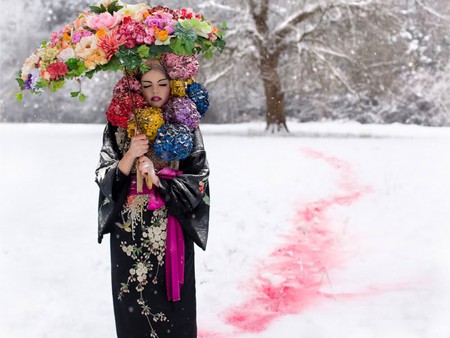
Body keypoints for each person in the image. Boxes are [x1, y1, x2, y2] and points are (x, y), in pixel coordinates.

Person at [95, 58, 210, 338]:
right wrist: (131, 155)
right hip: (129, 227)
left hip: (171, 221)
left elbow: (200, 180)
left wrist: (159, 179)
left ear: (173, 85)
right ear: (137, 88)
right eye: (146, 85)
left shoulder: (186, 124)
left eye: (162, 83)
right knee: (132, 296)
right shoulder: (120, 124)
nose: (154, 91)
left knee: (174, 304)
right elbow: (102, 175)